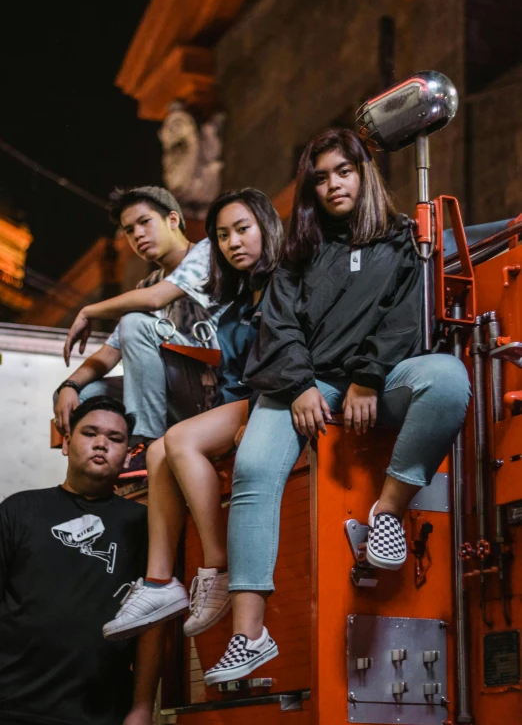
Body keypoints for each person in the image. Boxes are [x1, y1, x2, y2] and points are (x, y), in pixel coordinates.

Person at [204, 128, 471, 685]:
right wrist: (300, 385)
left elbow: (406, 321)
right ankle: (249, 635)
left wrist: (369, 379)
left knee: (447, 380)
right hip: (307, 383)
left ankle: (388, 514)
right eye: (320, 177)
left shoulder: (402, 240)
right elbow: (277, 327)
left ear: (363, 173)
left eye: (342, 172)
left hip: (377, 379)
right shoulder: (298, 250)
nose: (332, 185)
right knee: (253, 470)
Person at [102, 189, 284, 642]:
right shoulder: (238, 293)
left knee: (178, 440)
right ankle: (160, 581)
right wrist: (71, 387)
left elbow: (287, 357)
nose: (231, 243)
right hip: (235, 397)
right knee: (165, 446)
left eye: (242, 230)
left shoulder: (284, 279)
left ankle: (216, 566)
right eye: (223, 235)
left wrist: (254, 414)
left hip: (270, 398)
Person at [0, 396, 165, 725]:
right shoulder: (19, 511)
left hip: (99, 717)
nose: (102, 443)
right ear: (66, 442)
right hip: (12, 709)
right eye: (90, 432)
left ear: (127, 453)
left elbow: (153, 622)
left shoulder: (143, 524)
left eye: (115, 438)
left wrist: (141, 707)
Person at [53, 186, 223, 478]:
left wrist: (88, 311)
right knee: (86, 394)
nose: (138, 235)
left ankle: (145, 445)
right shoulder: (146, 285)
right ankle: (104, 467)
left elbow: (156, 299)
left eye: (145, 222)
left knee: (135, 321)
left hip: (212, 391)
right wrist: (67, 388)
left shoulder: (207, 253)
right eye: (129, 230)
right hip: (173, 397)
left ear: (172, 220)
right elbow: (110, 352)